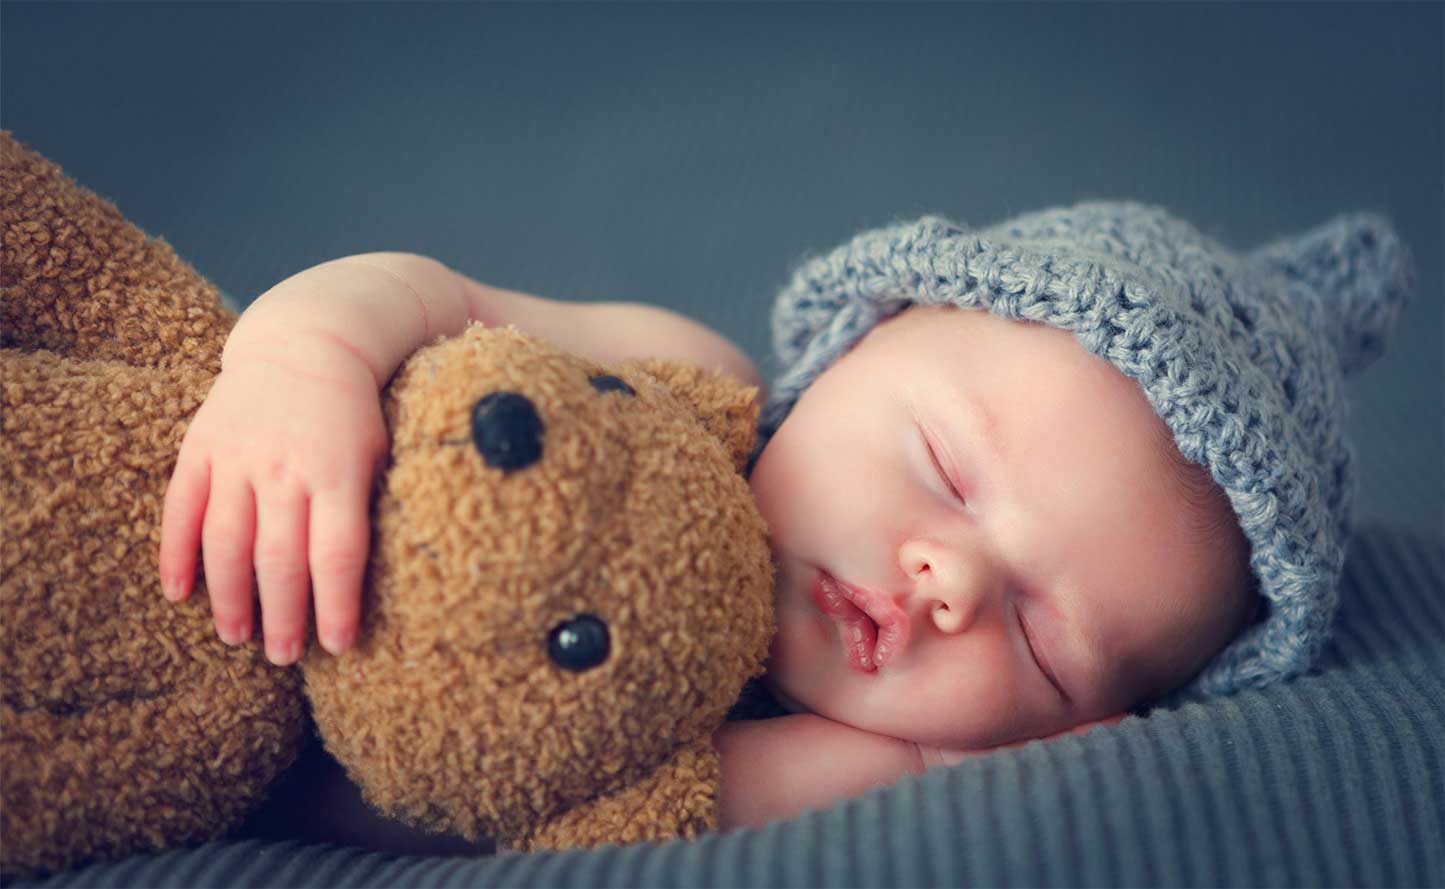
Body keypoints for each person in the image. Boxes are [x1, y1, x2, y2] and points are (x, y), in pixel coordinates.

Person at [159, 201, 1410, 836]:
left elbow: (592, 806)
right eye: (945, 468)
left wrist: (923, 769)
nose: (949, 580)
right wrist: (305, 360)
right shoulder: (679, 382)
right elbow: (429, 293)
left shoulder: (848, 766)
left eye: (1042, 641)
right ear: (857, 343)